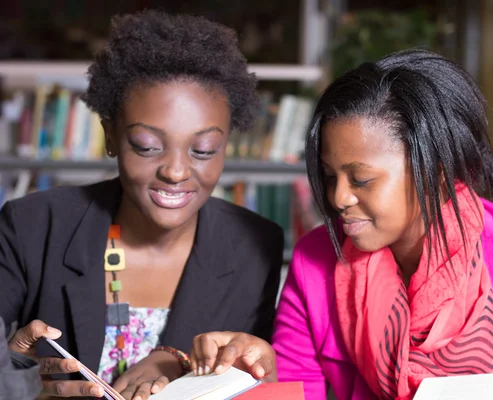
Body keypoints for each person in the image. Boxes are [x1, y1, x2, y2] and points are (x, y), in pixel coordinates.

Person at [189, 49, 493, 400]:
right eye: (330, 176)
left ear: (435, 171)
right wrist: (262, 371)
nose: (338, 199)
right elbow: (300, 391)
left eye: (361, 179)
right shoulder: (315, 263)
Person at [0, 9, 283, 400]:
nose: (176, 171)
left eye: (203, 150)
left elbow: (250, 377)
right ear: (110, 136)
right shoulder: (31, 225)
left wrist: (176, 359)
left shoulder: (255, 246)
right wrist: (17, 380)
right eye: (147, 146)